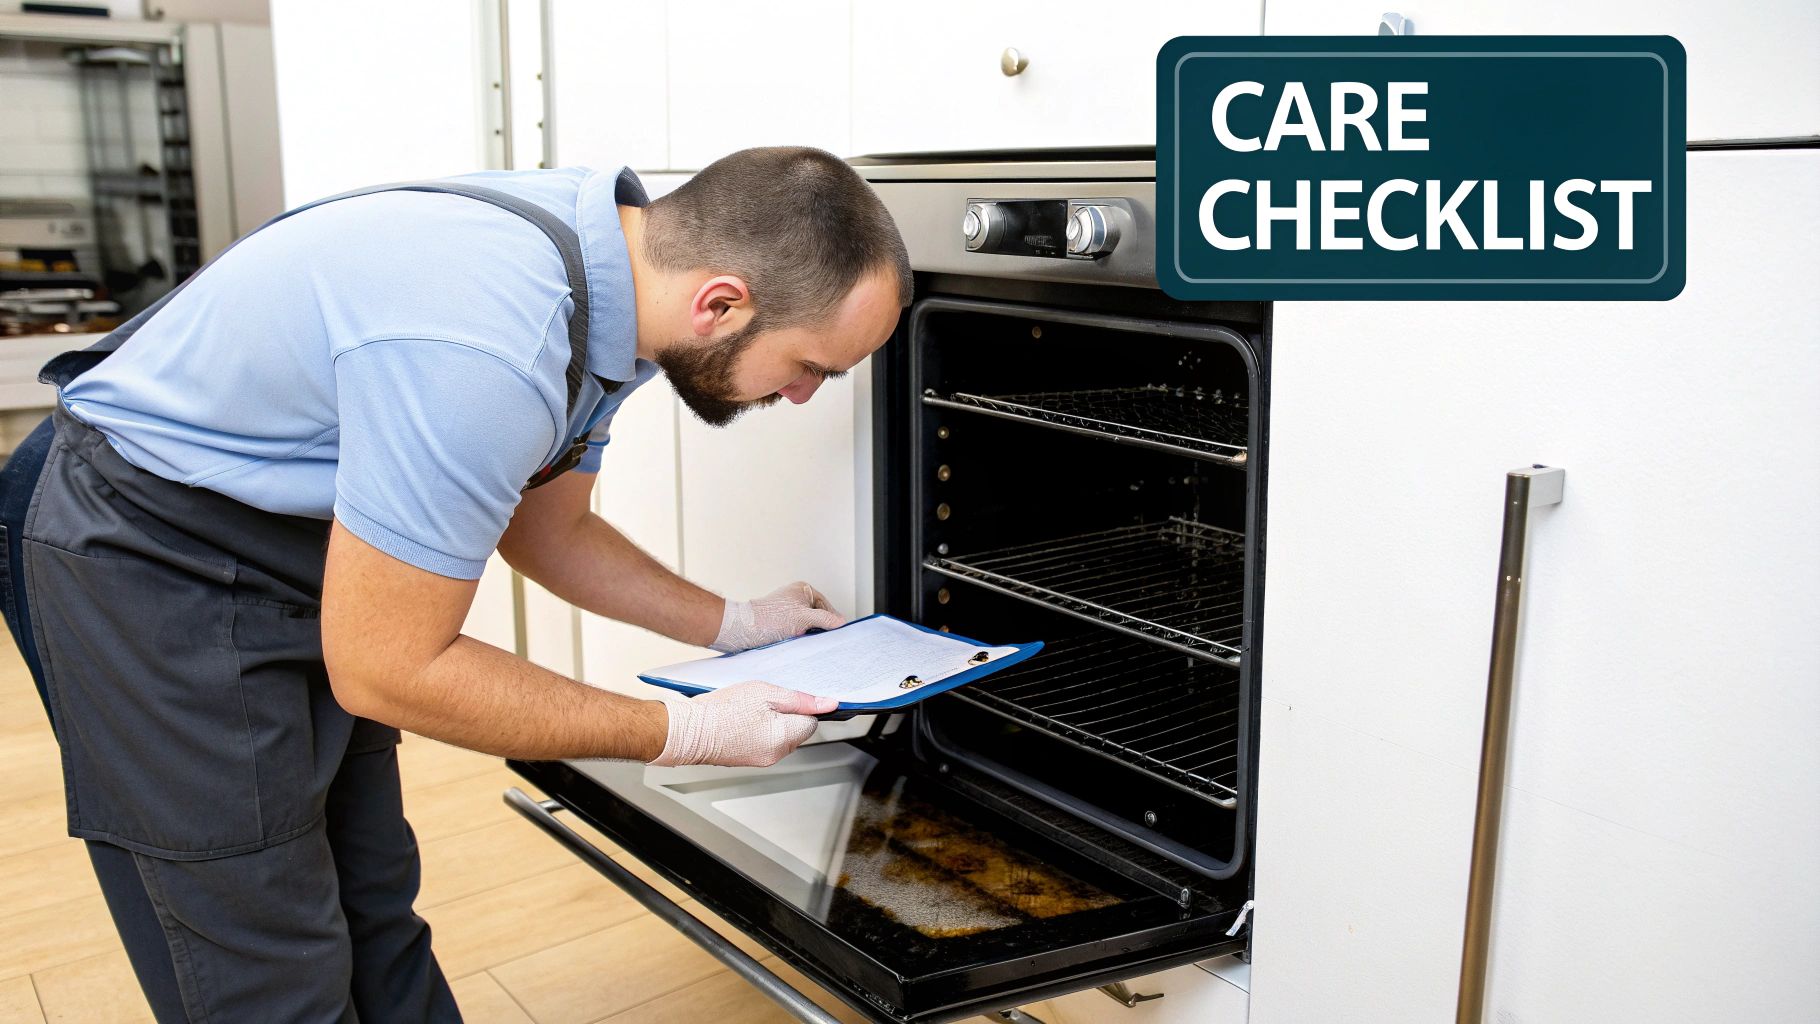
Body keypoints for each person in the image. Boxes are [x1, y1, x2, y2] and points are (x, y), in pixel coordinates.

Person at [0, 145, 911, 1023]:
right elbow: (392, 669)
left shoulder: (622, 283)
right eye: (810, 369)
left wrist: (738, 624)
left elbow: (553, 530)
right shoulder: (490, 346)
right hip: (137, 540)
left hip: (307, 546)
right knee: (264, 945)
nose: (804, 398)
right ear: (722, 303)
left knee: (371, 897)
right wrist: (688, 730)